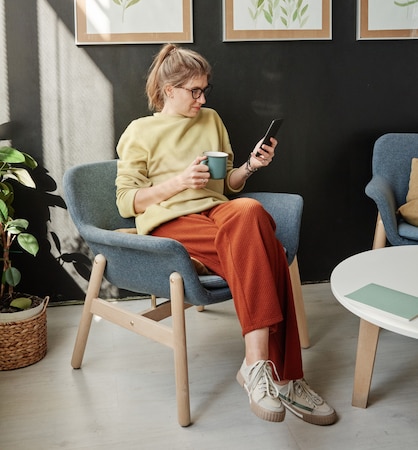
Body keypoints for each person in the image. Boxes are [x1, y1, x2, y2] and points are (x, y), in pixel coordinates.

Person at [116, 43, 337, 426]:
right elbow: (126, 201)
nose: (202, 98)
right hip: (173, 223)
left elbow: (229, 183)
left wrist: (251, 165)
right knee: (270, 249)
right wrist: (180, 181)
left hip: (219, 215)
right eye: (194, 91)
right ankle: (287, 378)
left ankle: (255, 365)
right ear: (169, 90)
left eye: (205, 90)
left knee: (249, 208)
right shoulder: (140, 131)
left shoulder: (211, 120)